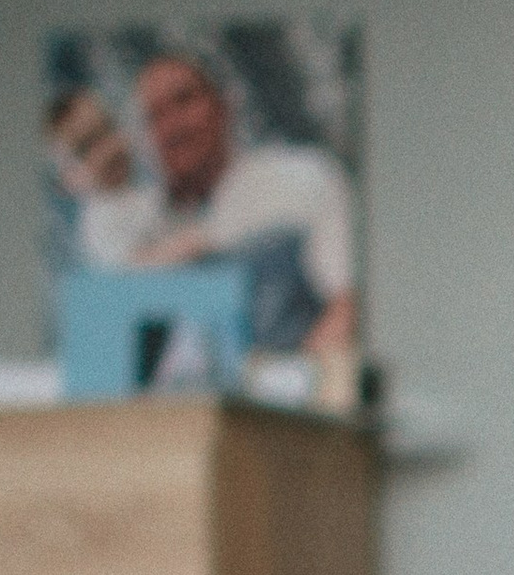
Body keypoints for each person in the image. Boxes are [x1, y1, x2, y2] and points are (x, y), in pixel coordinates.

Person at [130, 50, 358, 355]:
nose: (173, 127)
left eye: (184, 101)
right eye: (155, 115)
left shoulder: (300, 178)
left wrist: (289, 384)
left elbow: (349, 302)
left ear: (224, 105)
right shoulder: (133, 229)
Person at [41, 86, 161, 269]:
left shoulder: (144, 189)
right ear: (66, 182)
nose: (107, 150)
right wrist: (192, 243)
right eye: (85, 149)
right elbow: (132, 269)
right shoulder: (98, 225)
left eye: (108, 129)